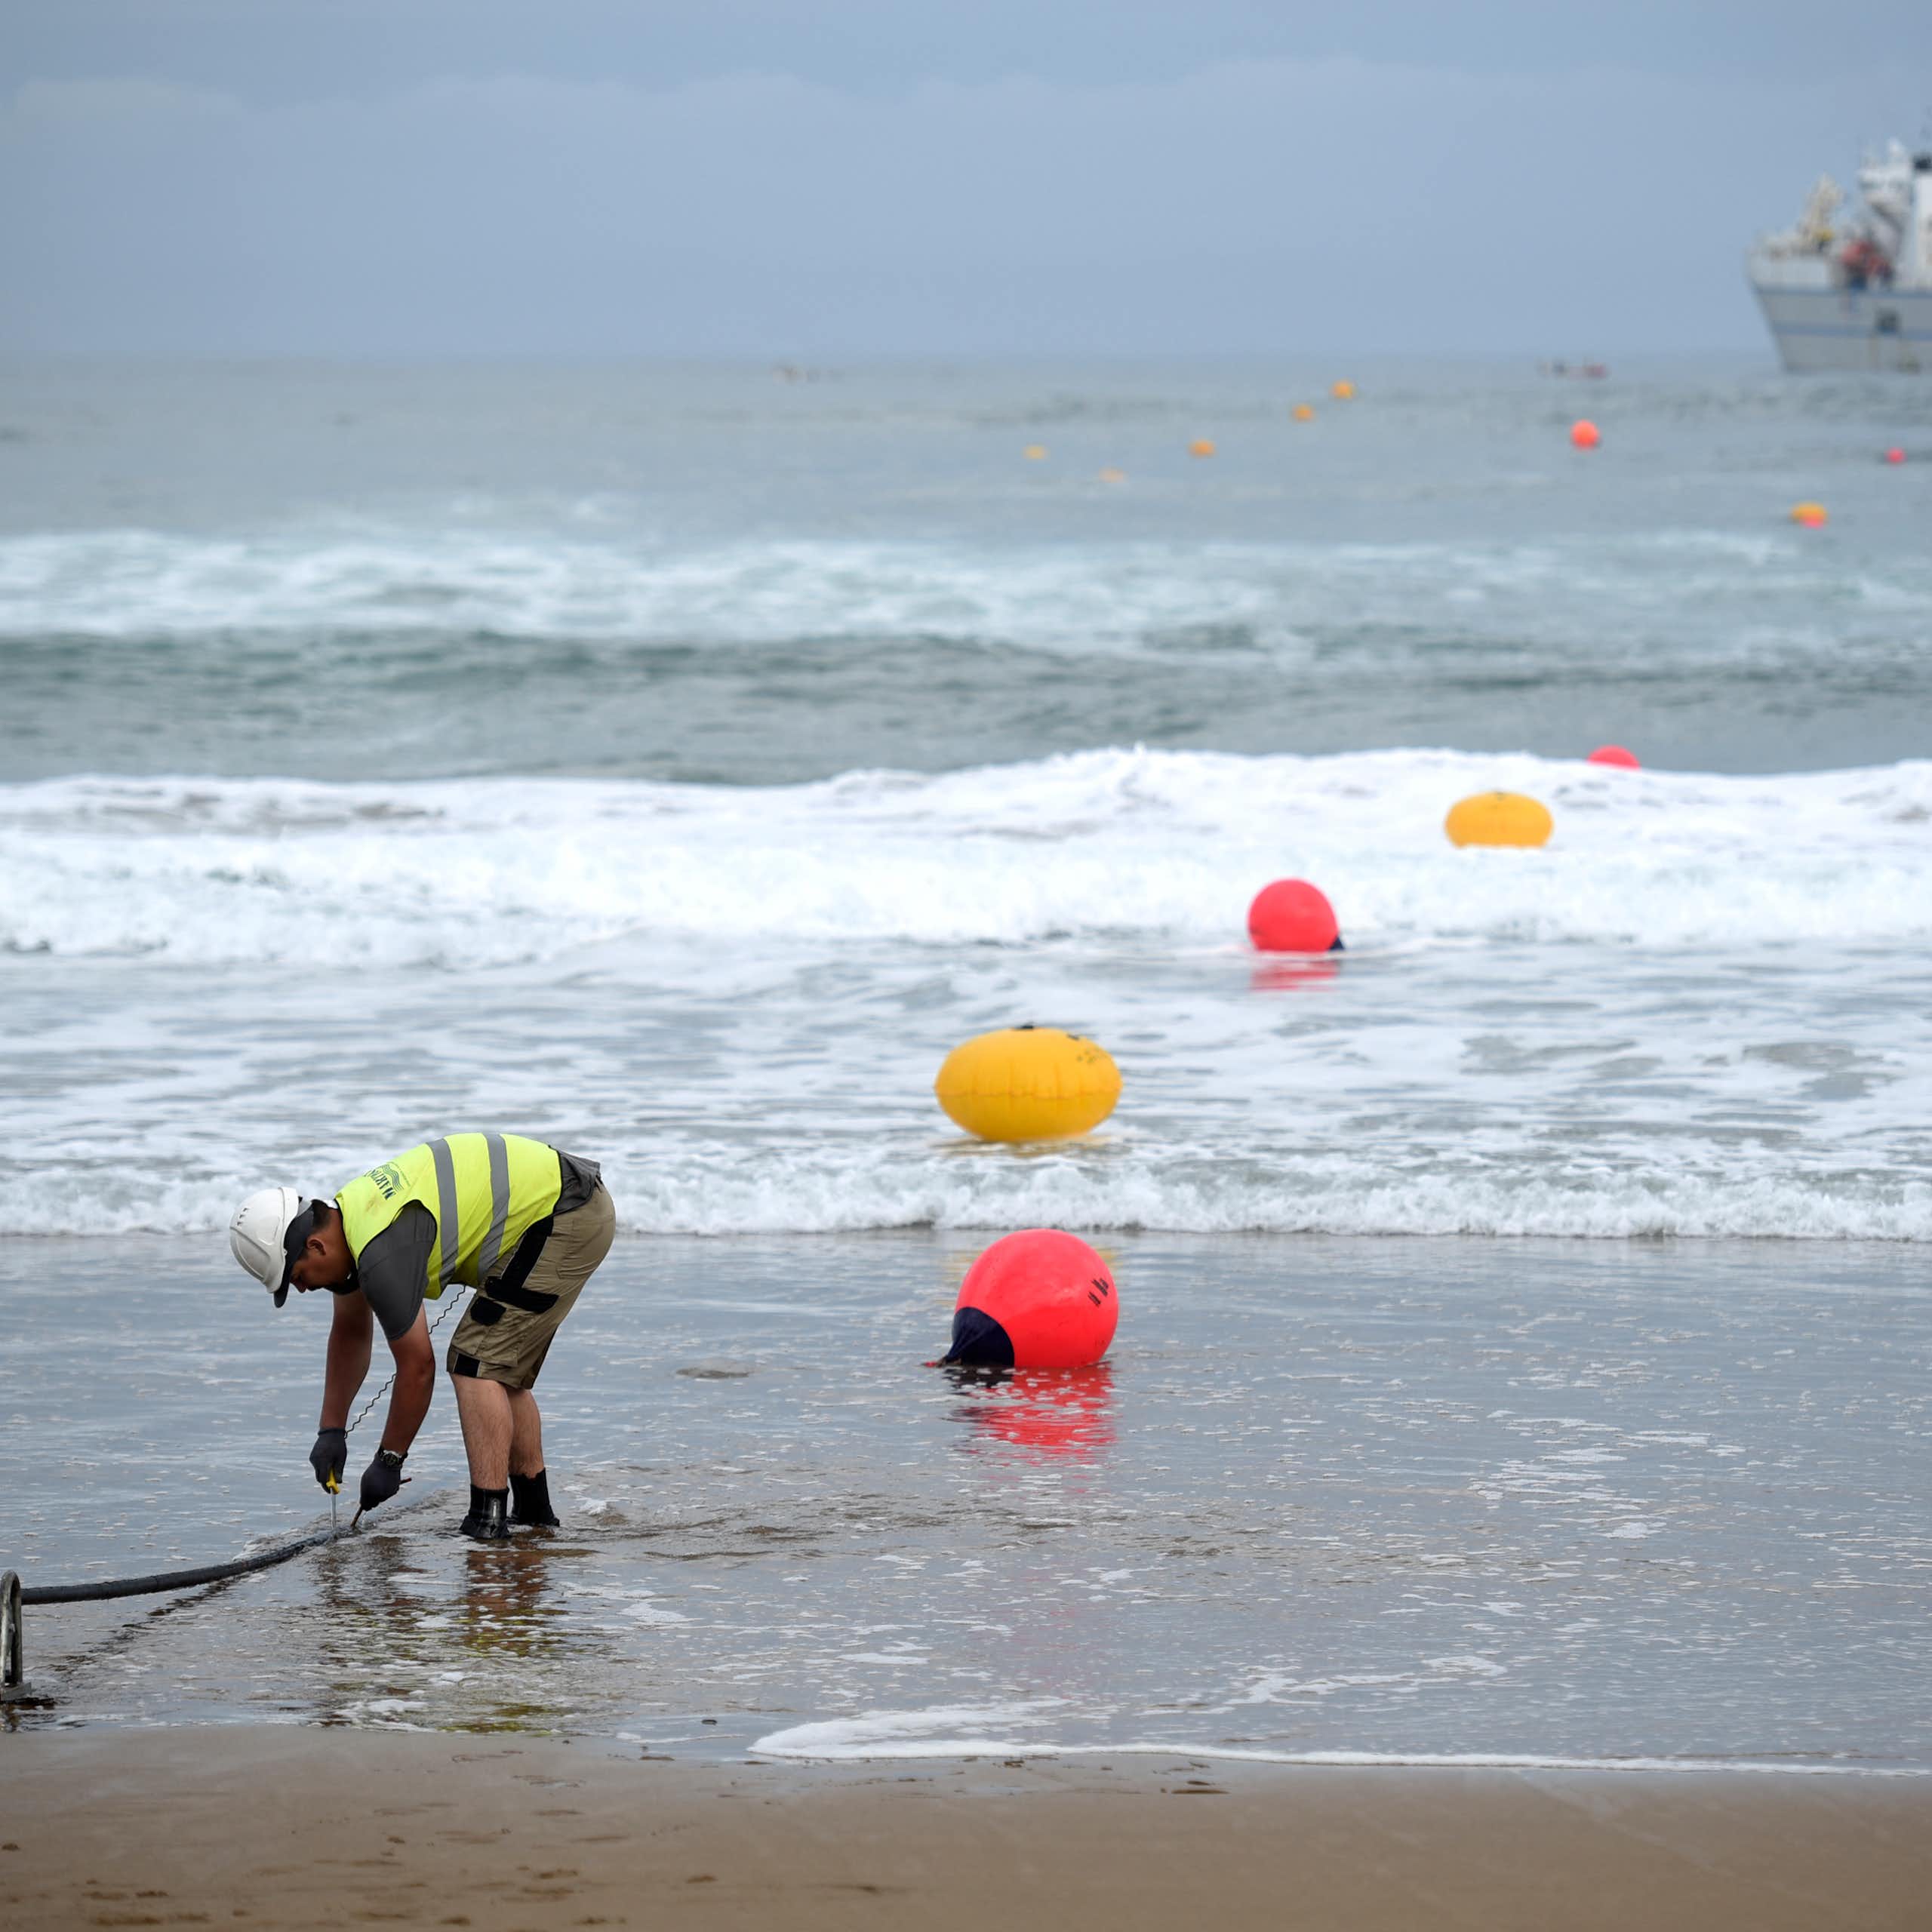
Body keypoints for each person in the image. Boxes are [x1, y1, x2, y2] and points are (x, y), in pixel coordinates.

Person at [227, 1133, 614, 1540]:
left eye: (297, 1277)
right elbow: (350, 1334)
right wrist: (331, 1431)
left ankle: (488, 1521)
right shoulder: (353, 1222)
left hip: (565, 1214)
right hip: (561, 1207)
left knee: (474, 1365)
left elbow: (417, 1368)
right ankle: (535, 1517)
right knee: (496, 1368)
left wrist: (389, 1460)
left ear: (315, 1245)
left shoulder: (379, 1251)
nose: (303, 1289)